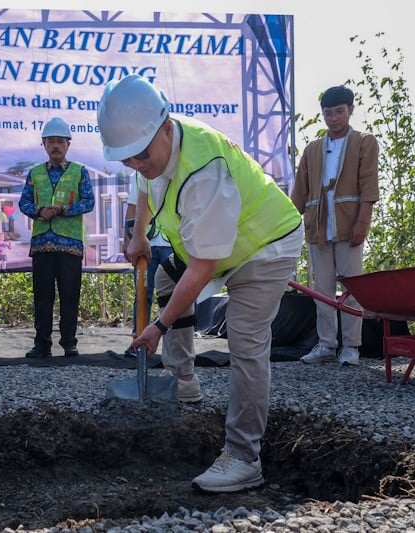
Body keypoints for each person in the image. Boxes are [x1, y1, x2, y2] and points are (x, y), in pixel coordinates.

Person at [97, 74, 302, 493]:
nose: (136, 163)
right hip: (215, 245)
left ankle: (244, 457)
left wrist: (158, 327)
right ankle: (185, 380)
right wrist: (137, 231)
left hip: (264, 245)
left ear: (166, 129)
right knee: (165, 276)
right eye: (126, 158)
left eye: (140, 154)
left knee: (245, 340)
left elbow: (204, 268)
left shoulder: (204, 171)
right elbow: (143, 183)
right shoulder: (153, 147)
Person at [291, 85, 379, 367]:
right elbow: (299, 193)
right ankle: (327, 344)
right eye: (328, 113)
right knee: (322, 289)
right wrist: (290, 227)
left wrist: (362, 222)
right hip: (318, 228)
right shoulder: (313, 149)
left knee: (352, 288)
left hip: (349, 223)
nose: (334, 118)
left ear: (350, 110)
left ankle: (351, 346)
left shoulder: (364, 142)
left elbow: (368, 185)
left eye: (339, 111)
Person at [19, 117, 95, 358]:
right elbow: (24, 202)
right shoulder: (35, 173)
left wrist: (63, 209)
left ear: (68, 145)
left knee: (70, 297)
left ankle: (69, 343)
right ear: (44, 144)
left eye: (60, 142)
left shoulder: (80, 172)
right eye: (51, 141)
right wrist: (40, 211)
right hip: (42, 245)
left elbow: (89, 201)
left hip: (69, 246)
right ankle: (42, 344)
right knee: (42, 298)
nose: (56, 146)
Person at [122, 172, 173, 357]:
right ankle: (138, 342)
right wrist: (127, 238)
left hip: (173, 243)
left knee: (172, 297)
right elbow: (133, 206)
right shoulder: (138, 173)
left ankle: (172, 347)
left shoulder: (177, 166)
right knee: (142, 294)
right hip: (146, 244)